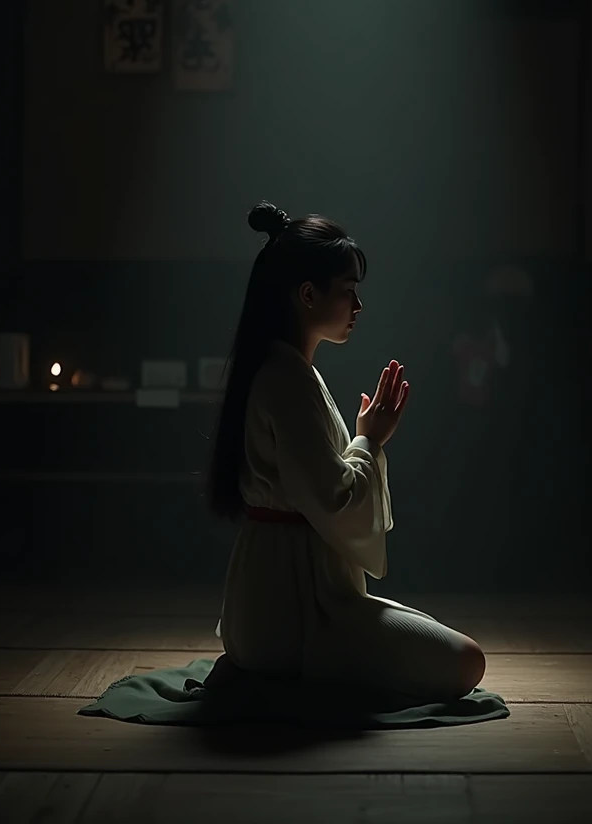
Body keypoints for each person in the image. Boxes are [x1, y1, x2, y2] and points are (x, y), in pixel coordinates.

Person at [206, 200, 486, 705]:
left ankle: (263, 664)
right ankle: (281, 669)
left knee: (436, 638)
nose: (358, 307)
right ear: (308, 295)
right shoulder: (287, 378)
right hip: (295, 612)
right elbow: (333, 503)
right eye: (349, 292)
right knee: (466, 661)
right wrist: (370, 439)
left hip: (280, 598)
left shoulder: (285, 370)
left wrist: (363, 438)